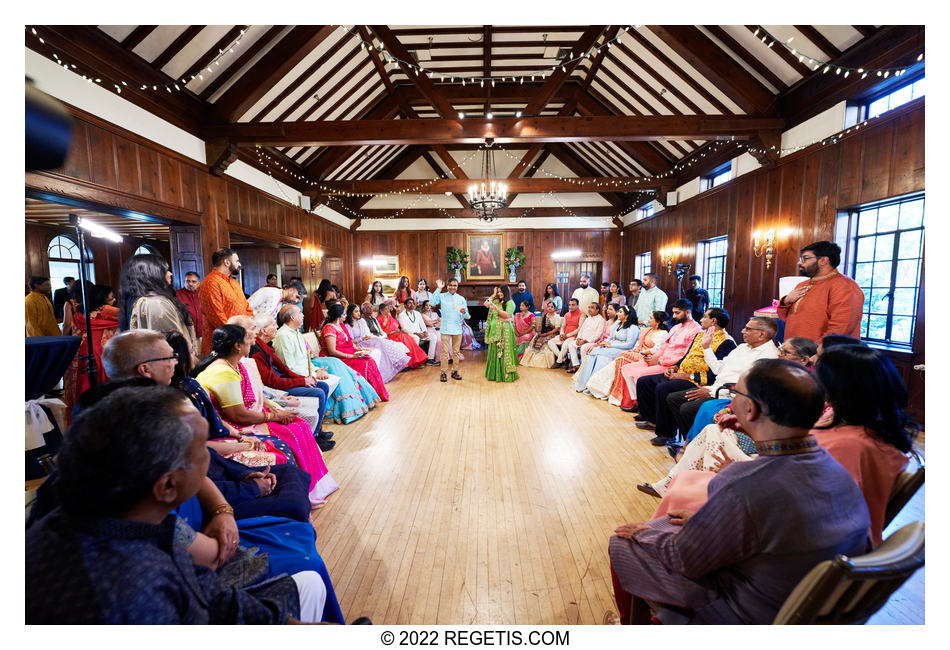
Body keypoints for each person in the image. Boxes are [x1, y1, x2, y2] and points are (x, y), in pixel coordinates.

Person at [26, 386, 329, 624]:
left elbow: (205, 590)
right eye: (202, 450)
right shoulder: (130, 592)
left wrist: (284, 623)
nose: (212, 458)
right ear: (168, 486)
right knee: (310, 583)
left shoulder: (118, 519)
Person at [607, 359, 871, 625]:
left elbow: (685, 558)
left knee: (623, 542)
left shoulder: (742, 481)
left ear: (751, 408)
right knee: (671, 521)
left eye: (735, 394)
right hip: (807, 600)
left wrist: (644, 534)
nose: (731, 401)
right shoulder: (834, 467)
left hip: (747, 609)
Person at [646, 346, 915, 548]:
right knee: (690, 475)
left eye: (818, 371)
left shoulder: (850, 443)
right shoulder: (865, 428)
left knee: (676, 500)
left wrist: (733, 477)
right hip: (786, 509)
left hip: (797, 536)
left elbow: (802, 500)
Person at [195, 324, 338, 507]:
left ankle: (313, 486)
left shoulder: (236, 364)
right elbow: (239, 415)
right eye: (248, 335)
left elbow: (257, 396)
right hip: (233, 425)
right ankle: (297, 495)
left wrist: (276, 409)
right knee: (293, 431)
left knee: (300, 424)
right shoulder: (222, 371)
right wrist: (275, 416)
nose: (253, 337)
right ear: (238, 346)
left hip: (247, 416)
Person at [658, 317, 780, 446]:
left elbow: (749, 387)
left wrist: (710, 391)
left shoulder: (768, 356)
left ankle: (696, 445)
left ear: (762, 334)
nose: (743, 331)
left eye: (748, 329)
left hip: (729, 395)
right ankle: (691, 443)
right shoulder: (743, 347)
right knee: (673, 398)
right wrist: (706, 347)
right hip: (716, 388)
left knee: (687, 408)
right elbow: (718, 369)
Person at [633, 308, 737, 445]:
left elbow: (714, 373)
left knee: (662, 389)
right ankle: (652, 420)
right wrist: (673, 368)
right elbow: (687, 356)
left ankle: (665, 433)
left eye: (704, 316)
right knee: (644, 381)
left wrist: (685, 376)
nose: (700, 319)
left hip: (697, 380)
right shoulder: (700, 335)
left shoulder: (726, 342)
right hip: (680, 373)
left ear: (713, 321)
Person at [231, 314, 334, 450]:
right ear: (264, 330)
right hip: (273, 389)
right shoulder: (255, 353)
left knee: (322, 386)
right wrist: (300, 382)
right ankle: (314, 437)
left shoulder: (265, 347)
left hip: (276, 385)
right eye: (273, 325)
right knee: (319, 393)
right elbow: (271, 382)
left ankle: (317, 431)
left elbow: (284, 369)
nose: (277, 327)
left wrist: (303, 380)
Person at [272, 304, 380, 424]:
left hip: (310, 367)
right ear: (292, 317)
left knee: (339, 364)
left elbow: (305, 359)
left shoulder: (295, 332)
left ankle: (355, 405)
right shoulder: (283, 336)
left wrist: (316, 370)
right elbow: (289, 366)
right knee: (335, 364)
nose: (303, 315)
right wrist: (313, 374)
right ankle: (343, 410)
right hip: (299, 375)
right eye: (300, 313)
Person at [614, 299, 702, 409]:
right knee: (626, 368)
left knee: (640, 376)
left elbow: (686, 355)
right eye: (673, 312)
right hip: (660, 360)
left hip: (671, 365)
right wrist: (653, 357)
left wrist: (660, 361)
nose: (673, 316)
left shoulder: (696, 330)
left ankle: (644, 406)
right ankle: (637, 401)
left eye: (677, 313)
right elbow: (664, 347)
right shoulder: (676, 327)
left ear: (688, 312)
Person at [777, 241, 865, 341]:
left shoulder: (845, 286)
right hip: (795, 351)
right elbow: (785, 318)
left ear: (823, 260)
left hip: (821, 353)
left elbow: (841, 328)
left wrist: (818, 352)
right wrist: (786, 301)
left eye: (805, 258)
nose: (799, 262)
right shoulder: (802, 285)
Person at [120, 254, 199, 363]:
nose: (170, 274)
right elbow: (174, 342)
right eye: (166, 270)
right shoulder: (154, 303)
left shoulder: (148, 299)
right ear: (152, 274)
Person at [586, 311, 669, 400]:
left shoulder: (662, 333)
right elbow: (638, 343)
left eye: (651, 318)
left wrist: (642, 352)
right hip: (638, 352)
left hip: (648, 356)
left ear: (658, 322)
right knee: (621, 356)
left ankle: (618, 395)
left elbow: (657, 349)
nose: (648, 320)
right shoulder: (647, 330)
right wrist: (636, 349)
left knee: (622, 358)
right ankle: (601, 387)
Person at [321, 302, 389, 401]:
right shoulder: (329, 328)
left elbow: (349, 343)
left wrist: (361, 350)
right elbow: (332, 351)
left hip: (348, 352)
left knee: (370, 360)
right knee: (364, 364)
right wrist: (351, 356)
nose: (345, 316)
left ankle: (375, 394)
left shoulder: (340, 325)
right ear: (338, 316)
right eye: (344, 314)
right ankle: (365, 397)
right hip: (338, 357)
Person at [198, 248, 254, 356]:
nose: (239, 264)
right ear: (227, 262)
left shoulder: (234, 282)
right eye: (237, 261)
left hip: (241, 340)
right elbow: (217, 317)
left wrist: (249, 330)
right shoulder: (210, 283)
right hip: (222, 344)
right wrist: (238, 335)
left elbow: (247, 308)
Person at [572, 306, 639, 392]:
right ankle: (584, 383)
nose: (617, 314)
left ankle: (596, 387)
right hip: (611, 346)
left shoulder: (633, 327)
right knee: (592, 353)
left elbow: (629, 344)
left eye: (620, 312)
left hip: (622, 349)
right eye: (618, 311)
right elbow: (610, 338)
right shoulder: (617, 324)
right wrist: (604, 343)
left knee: (601, 357)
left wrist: (611, 345)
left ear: (627, 315)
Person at [347, 303, 411, 380]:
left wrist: (369, 338)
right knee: (379, 343)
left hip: (366, 340)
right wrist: (362, 339)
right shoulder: (348, 325)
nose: (358, 313)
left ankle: (395, 363)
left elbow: (367, 333)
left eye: (358, 311)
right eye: (356, 311)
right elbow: (350, 341)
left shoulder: (361, 321)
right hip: (358, 344)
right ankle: (383, 374)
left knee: (381, 342)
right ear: (350, 313)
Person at [430, 278, 470, 382]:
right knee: (444, 352)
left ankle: (455, 371)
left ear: (457, 287)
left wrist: (464, 312)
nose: (452, 287)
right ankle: (443, 373)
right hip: (446, 328)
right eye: (450, 285)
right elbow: (432, 302)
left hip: (457, 329)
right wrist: (438, 289)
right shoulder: (442, 296)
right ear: (447, 286)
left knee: (456, 352)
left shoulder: (461, 299)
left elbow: (467, 316)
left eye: (455, 285)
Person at [377, 299, 427, 368]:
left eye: (388, 309)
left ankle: (415, 361)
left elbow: (396, 325)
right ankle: (408, 363)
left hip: (396, 334)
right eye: (386, 309)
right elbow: (381, 332)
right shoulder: (378, 319)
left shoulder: (390, 317)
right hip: (389, 336)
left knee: (409, 339)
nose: (388, 311)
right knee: (405, 339)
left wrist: (397, 330)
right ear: (381, 310)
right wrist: (392, 332)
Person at [484, 284, 519, 383]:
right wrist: (493, 294)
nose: (499, 294)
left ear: (506, 292)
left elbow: (508, 315)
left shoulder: (510, 302)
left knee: (503, 352)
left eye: (501, 292)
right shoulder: (496, 301)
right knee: (495, 350)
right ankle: (494, 374)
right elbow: (486, 304)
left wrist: (497, 310)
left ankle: (505, 375)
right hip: (495, 331)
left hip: (505, 330)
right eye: (498, 292)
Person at [518, 300, 563, 368]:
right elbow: (541, 326)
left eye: (552, 307)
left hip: (553, 334)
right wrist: (539, 332)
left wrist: (546, 334)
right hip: (544, 333)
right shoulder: (545, 315)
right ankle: (531, 361)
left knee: (543, 341)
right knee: (535, 339)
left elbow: (557, 328)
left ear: (555, 308)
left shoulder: (557, 317)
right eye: (548, 306)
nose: (550, 308)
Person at [565, 301, 605, 373]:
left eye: (592, 308)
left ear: (597, 310)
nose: (589, 309)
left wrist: (585, 341)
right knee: (571, 344)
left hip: (592, 342)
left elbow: (598, 335)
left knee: (584, 348)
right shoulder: (588, 318)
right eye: (589, 307)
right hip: (582, 340)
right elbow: (581, 330)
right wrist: (579, 338)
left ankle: (584, 368)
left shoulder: (601, 320)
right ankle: (576, 365)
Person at [548, 298, 584, 368]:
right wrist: (561, 334)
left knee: (565, 344)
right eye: (569, 305)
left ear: (578, 305)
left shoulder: (582, 315)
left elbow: (579, 329)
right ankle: (564, 359)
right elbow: (563, 326)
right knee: (550, 342)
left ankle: (558, 361)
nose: (570, 307)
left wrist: (567, 335)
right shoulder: (566, 314)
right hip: (565, 335)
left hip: (574, 336)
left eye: (573, 305)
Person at [175, 271, 204, 346]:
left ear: (199, 283)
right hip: (186, 334)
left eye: (194, 282)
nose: (190, 284)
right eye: (188, 281)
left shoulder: (204, 294)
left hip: (203, 334)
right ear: (184, 282)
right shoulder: (177, 294)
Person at [418, 300, 444, 366]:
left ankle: (447, 357)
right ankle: (437, 358)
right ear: (423, 306)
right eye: (426, 305)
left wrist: (435, 323)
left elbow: (440, 321)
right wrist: (435, 321)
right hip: (428, 330)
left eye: (429, 305)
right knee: (438, 340)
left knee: (444, 338)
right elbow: (427, 323)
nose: (428, 307)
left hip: (436, 328)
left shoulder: (435, 313)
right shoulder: (421, 315)